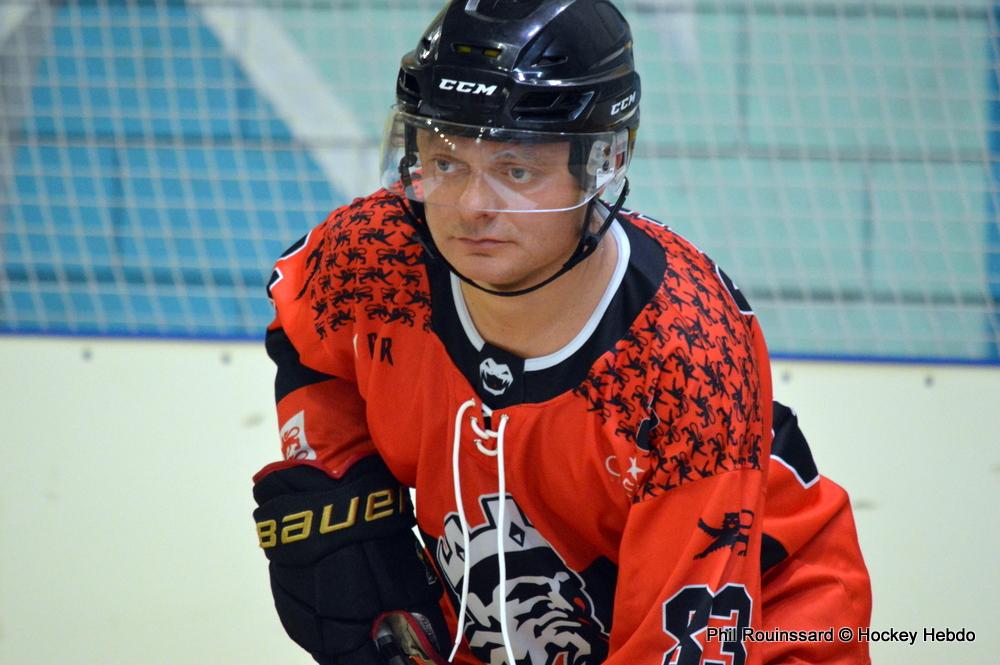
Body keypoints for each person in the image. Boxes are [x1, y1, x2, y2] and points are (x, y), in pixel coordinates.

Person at [251, 1, 872, 664]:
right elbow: (307, 335)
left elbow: (677, 643)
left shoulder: (685, 356)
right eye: (446, 162)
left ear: (603, 160)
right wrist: (337, 474)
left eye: (516, 170)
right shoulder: (376, 256)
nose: (471, 207)